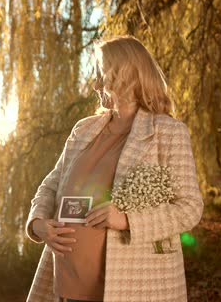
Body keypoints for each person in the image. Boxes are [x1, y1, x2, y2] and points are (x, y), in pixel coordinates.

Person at [25, 36, 204, 302]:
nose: (95, 84)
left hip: (132, 288)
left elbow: (189, 208)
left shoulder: (167, 132)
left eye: (101, 74)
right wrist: (38, 223)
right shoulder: (84, 129)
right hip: (65, 283)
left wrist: (127, 220)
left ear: (126, 76)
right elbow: (51, 184)